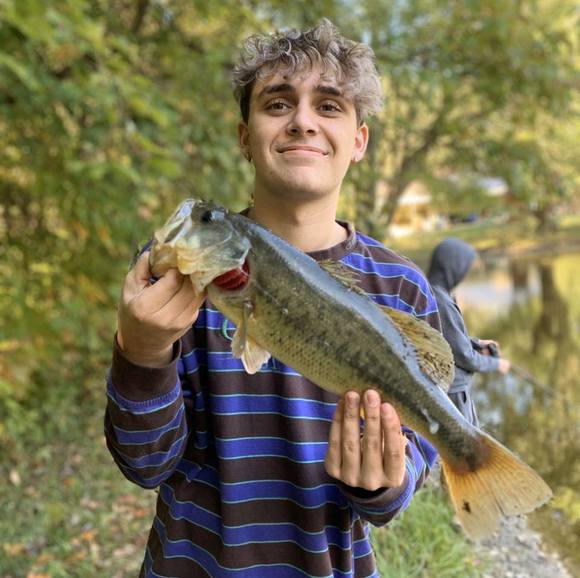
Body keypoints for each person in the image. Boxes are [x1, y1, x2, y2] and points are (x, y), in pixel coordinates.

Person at [105, 20, 442, 578]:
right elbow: (145, 464)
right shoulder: (176, 276)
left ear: (359, 141)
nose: (303, 121)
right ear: (245, 137)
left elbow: (405, 476)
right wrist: (140, 353)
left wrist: (386, 483)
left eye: (329, 106)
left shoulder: (402, 286)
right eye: (278, 103)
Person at [427, 238, 511, 427]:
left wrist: (476, 343)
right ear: (452, 266)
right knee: (467, 441)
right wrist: (497, 364)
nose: (465, 273)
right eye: (464, 267)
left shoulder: (433, 292)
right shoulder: (441, 301)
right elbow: (465, 357)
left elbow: (443, 338)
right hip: (454, 392)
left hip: (448, 388)